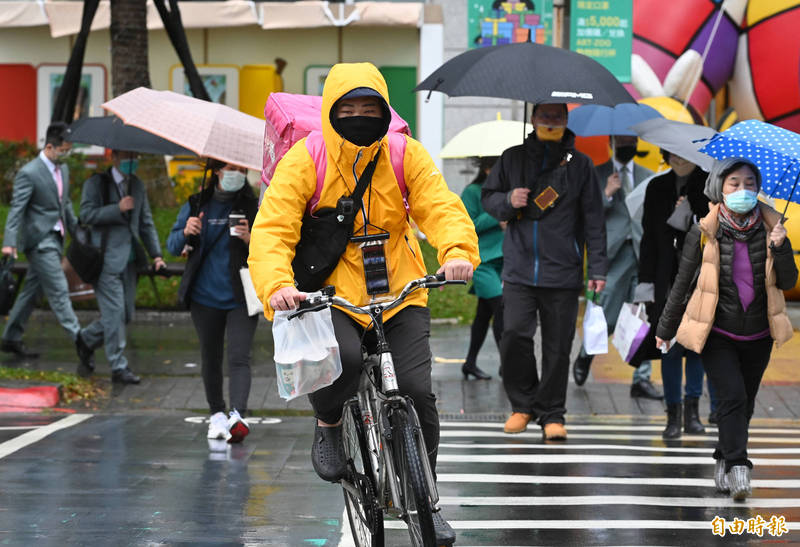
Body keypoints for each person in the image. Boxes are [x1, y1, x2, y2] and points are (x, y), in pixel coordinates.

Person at [248, 62, 479, 543]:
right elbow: (272, 229)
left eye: (368, 107)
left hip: (401, 290)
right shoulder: (305, 160)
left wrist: (456, 252)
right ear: (330, 111)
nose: (357, 116)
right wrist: (275, 286)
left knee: (417, 390)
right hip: (333, 293)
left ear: (385, 110)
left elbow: (441, 207)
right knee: (344, 361)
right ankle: (329, 421)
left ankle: (427, 501)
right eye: (347, 108)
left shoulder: (404, 154)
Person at [656, 157, 797, 500]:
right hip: (718, 332)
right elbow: (683, 282)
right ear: (720, 187)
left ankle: (722, 456)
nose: (743, 190)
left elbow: (790, 281)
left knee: (744, 404)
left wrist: (780, 247)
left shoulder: (773, 228)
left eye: (750, 183)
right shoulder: (705, 229)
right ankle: (738, 466)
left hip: (760, 333)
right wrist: (665, 328)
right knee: (731, 396)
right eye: (735, 183)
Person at [481, 103, 608, 440]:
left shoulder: (580, 166)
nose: (551, 122)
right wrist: (509, 199)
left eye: (558, 117)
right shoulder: (512, 158)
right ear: (533, 118)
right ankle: (523, 405)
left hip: (562, 273)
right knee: (514, 336)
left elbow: (595, 221)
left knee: (558, 347)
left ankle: (552, 413)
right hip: (519, 270)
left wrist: (597, 267)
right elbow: (488, 197)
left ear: (566, 121)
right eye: (545, 116)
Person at [167, 160, 258, 443]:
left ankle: (237, 416)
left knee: (240, 356)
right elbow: (172, 246)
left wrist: (249, 238)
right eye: (232, 169)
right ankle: (217, 414)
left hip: (241, 295)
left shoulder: (252, 206)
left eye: (243, 171)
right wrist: (186, 231)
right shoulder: (197, 204)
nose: (237, 175)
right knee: (211, 356)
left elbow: (272, 245)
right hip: (204, 296)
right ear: (217, 171)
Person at [572, 135, 662, 400]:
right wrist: (606, 195)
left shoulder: (648, 176)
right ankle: (585, 354)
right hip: (611, 257)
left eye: (631, 140)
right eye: (621, 141)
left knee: (642, 316)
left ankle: (641, 378)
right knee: (608, 317)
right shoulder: (597, 174)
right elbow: (584, 214)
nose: (627, 145)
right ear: (611, 143)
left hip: (642, 254)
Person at [1, 122, 93, 371]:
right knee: (59, 289)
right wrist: (9, 243)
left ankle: (10, 337)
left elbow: (65, 205)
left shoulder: (62, 171)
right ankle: (80, 340)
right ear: (50, 146)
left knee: (32, 291)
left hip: (57, 238)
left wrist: (78, 233)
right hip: (40, 241)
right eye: (63, 150)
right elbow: (16, 210)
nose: (66, 154)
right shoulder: (29, 173)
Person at [638, 151, 712, 438]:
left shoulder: (707, 187)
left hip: (700, 279)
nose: (680, 160)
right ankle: (673, 414)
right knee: (668, 345)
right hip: (665, 280)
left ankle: (693, 413)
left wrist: (690, 214)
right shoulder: (657, 188)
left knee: (695, 347)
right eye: (674, 155)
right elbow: (648, 238)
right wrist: (645, 284)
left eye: (686, 155)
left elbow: (713, 229)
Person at [78, 150, 165, 384]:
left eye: (136, 156)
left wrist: (156, 254)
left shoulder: (137, 185)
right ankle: (118, 366)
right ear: (114, 157)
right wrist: (117, 208)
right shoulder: (96, 183)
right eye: (128, 156)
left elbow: (145, 222)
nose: (132, 161)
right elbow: (85, 214)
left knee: (124, 314)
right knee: (115, 313)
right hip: (104, 259)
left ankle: (86, 339)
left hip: (130, 260)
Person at [461, 156, 504, 380]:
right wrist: (496, 214)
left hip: (503, 262)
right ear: (488, 170)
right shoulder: (472, 192)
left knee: (483, 314)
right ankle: (507, 364)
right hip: (481, 262)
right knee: (501, 310)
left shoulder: (504, 193)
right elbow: (467, 226)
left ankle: (469, 363)